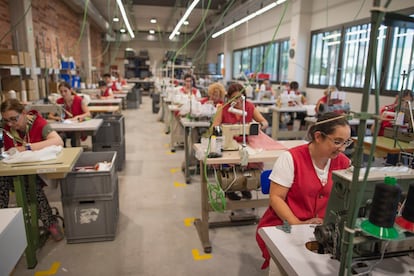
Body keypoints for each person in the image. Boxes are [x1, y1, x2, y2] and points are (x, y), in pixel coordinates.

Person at [256, 112, 352, 269]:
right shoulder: (291, 158)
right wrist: (297, 224)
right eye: (337, 142)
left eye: (346, 142)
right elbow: (276, 198)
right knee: (292, 262)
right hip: (284, 222)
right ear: (318, 136)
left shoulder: (344, 163)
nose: (342, 149)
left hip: (323, 227)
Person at [0, 99, 65, 241]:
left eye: (13, 119)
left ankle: (50, 222)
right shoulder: (5, 127)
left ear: (23, 113)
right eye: (6, 120)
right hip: (10, 169)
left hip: (29, 171)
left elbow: (58, 141)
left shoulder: (38, 123)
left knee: (30, 186)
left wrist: (26, 147)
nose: (10, 124)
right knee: (1, 183)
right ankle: (3, 224)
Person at [213, 82, 269, 200]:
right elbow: (215, 126)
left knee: (251, 161)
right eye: (234, 98)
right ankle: (230, 187)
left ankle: (245, 186)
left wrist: (259, 125)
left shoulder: (249, 107)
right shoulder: (223, 108)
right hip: (228, 143)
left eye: (240, 98)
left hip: (246, 142)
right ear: (229, 98)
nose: (238, 101)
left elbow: (264, 122)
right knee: (230, 163)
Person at [49, 81, 91, 147]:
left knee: (74, 138)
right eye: (61, 91)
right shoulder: (59, 102)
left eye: (65, 91)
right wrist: (58, 118)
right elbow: (50, 115)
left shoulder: (79, 100)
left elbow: (88, 113)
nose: (63, 93)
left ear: (70, 90)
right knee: (60, 137)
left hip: (76, 128)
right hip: (64, 128)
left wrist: (77, 117)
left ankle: (76, 153)